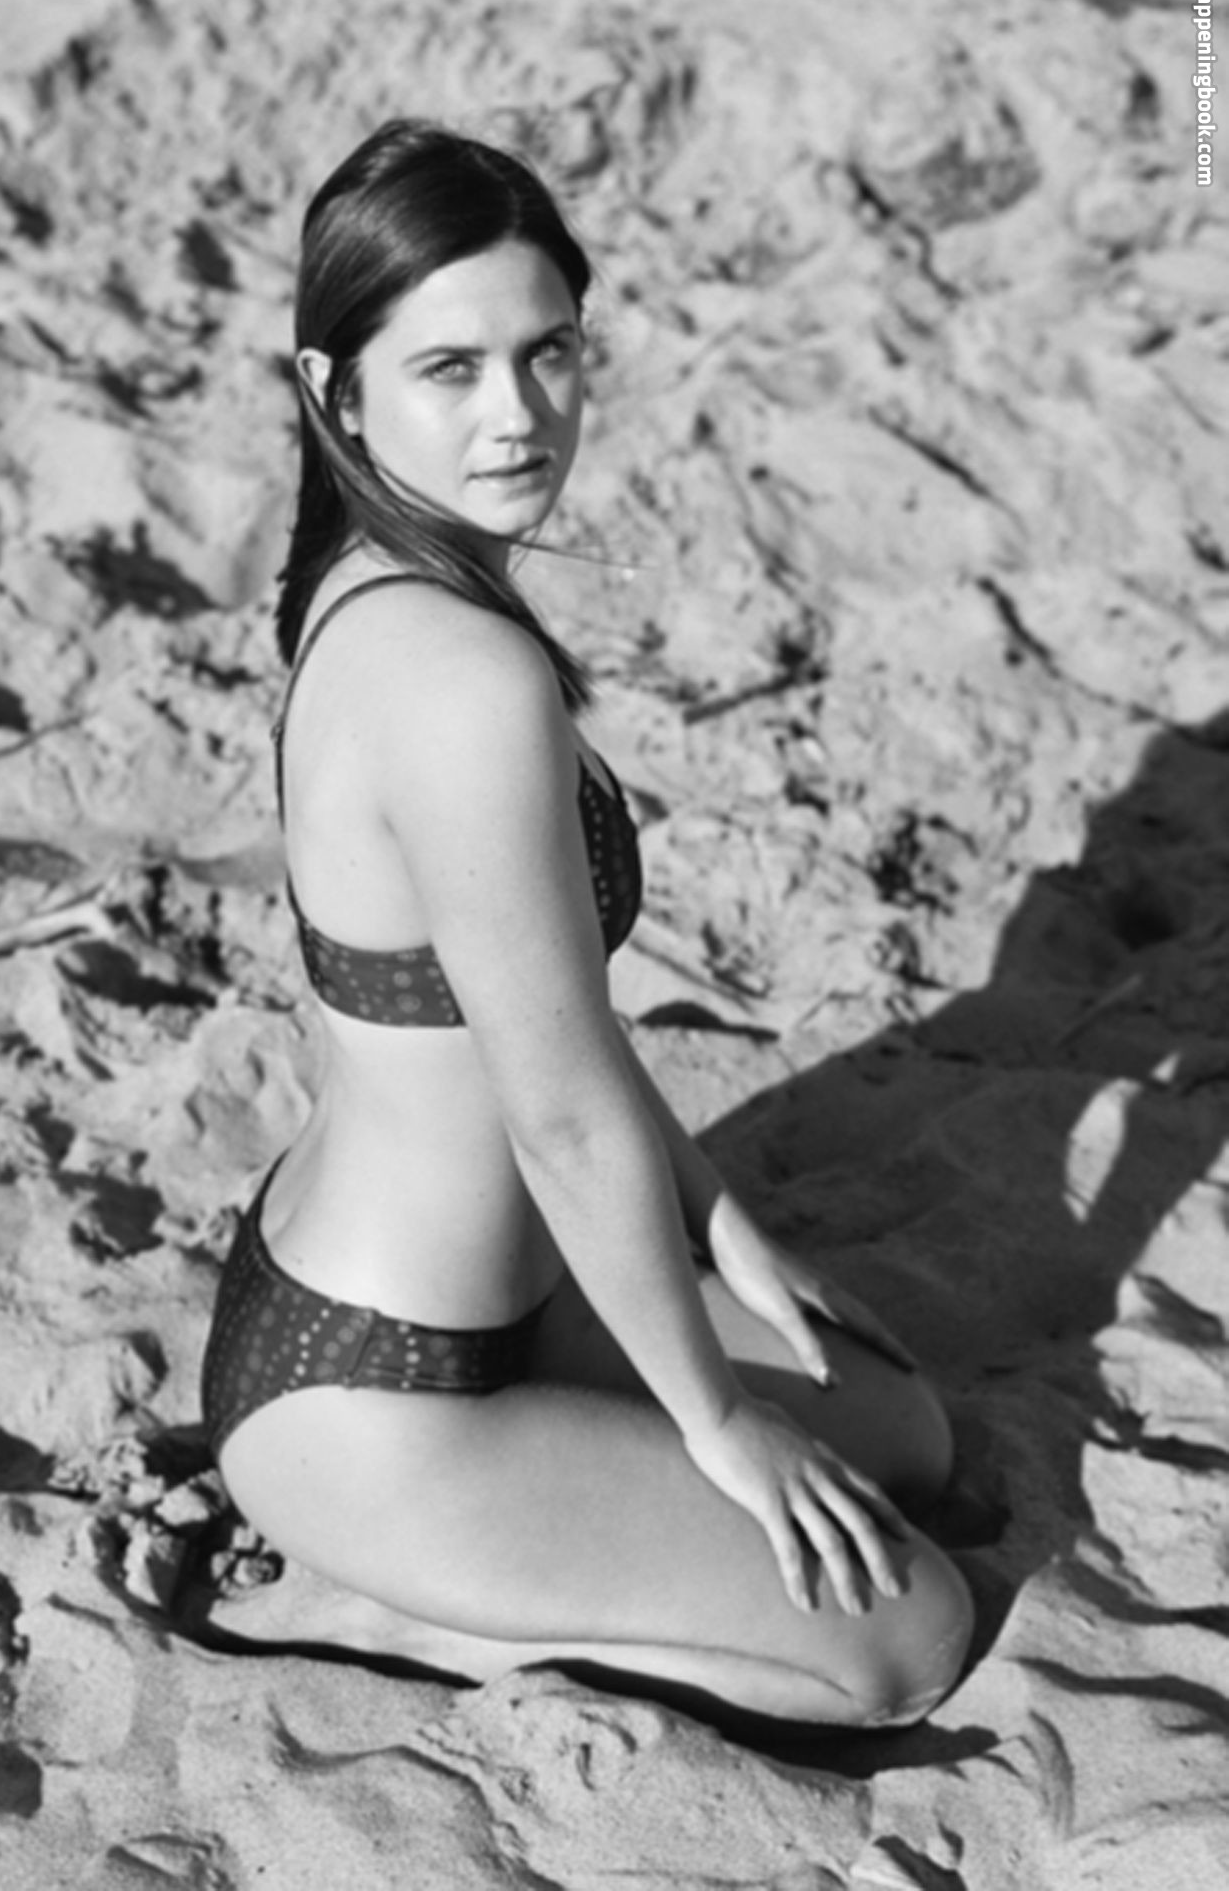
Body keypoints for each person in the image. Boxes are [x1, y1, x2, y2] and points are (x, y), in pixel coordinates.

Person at [196, 118, 973, 1731]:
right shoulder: (460, 677)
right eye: (451, 369)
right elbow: (553, 1110)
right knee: (906, 1641)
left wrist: (719, 1220)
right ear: (334, 388)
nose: (519, 415)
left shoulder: (381, 570)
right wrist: (716, 1424)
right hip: (379, 1386)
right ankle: (402, 1612)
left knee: (906, 1437)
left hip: (481, 1292)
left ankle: (511, 1541)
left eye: (548, 353)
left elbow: (548, 1021)